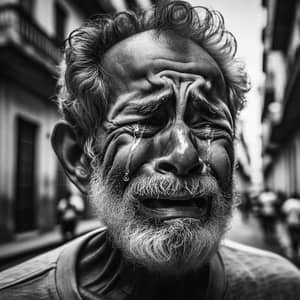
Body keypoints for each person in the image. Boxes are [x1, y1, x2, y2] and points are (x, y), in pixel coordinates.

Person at [1, 1, 300, 299]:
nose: (185, 156)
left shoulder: (282, 288)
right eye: (147, 121)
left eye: (208, 124)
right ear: (79, 158)